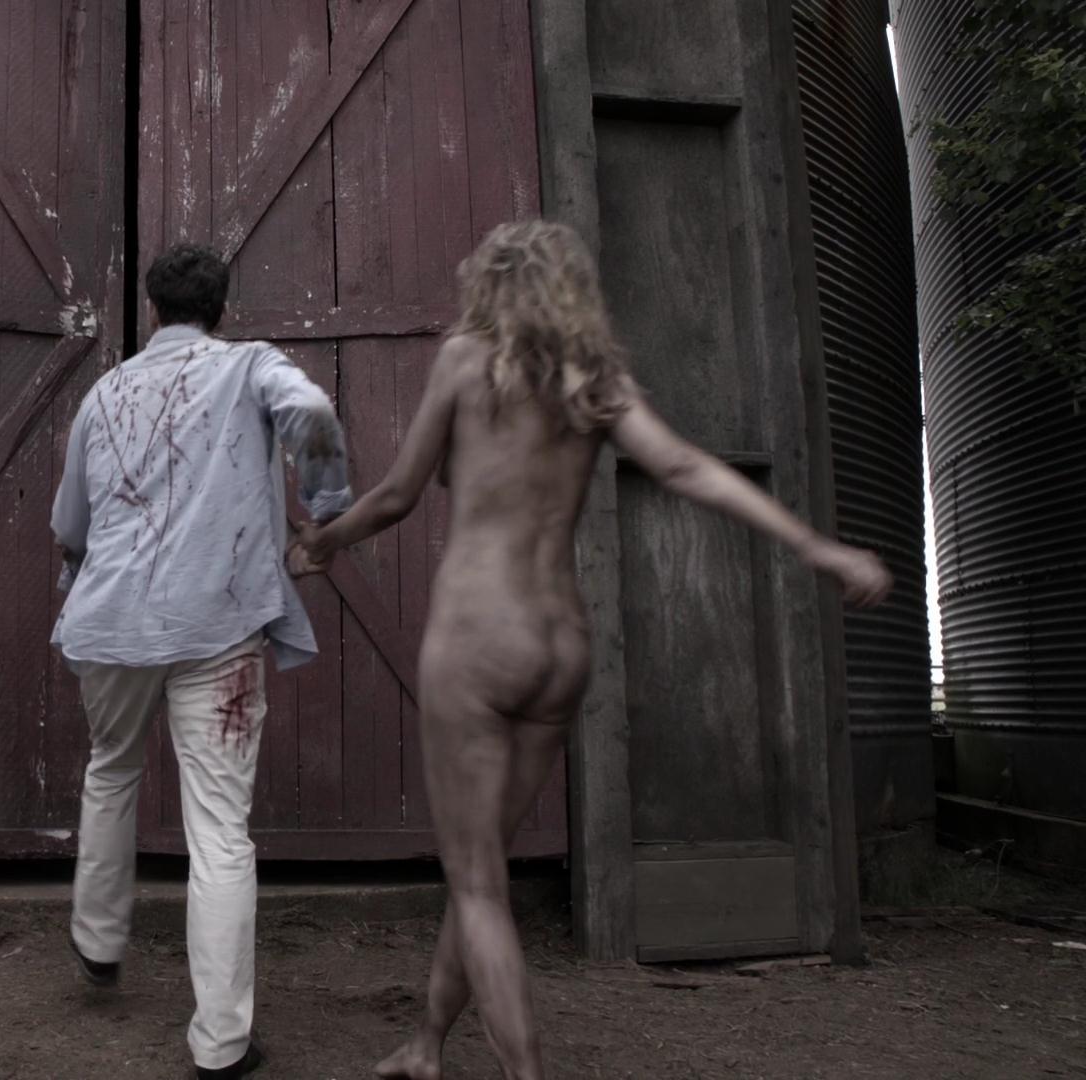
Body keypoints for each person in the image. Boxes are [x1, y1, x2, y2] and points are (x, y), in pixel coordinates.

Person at [291, 220, 891, 1080]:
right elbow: (683, 466)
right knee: (481, 871)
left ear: (489, 284)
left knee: (476, 882)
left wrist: (323, 542)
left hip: (479, 638)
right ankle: (426, 1043)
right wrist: (815, 547)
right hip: (560, 645)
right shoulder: (595, 380)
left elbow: (394, 496)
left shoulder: (464, 360)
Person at [51, 244, 353, 1079]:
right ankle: (220, 1046)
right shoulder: (249, 366)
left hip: (111, 624)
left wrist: (88, 582)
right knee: (220, 832)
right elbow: (312, 412)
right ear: (222, 310)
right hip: (219, 625)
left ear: (152, 310)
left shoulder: (103, 394)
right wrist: (326, 511)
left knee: (111, 766)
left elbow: (70, 528)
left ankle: (98, 941)